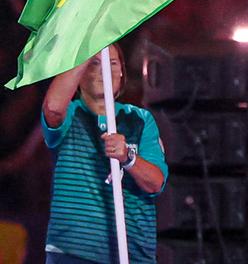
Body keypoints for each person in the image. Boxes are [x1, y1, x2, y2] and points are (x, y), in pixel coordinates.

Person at [41, 45, 168, 264]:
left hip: (132, 253)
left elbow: (155, 183)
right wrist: (85, 49)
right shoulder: (70, 114)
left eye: (112, 63)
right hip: (73, 252)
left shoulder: (140, 119)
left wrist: (128, 158)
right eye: (94, 64)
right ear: (79, 73)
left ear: (121, 72)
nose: (104, 71)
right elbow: (52, 109)